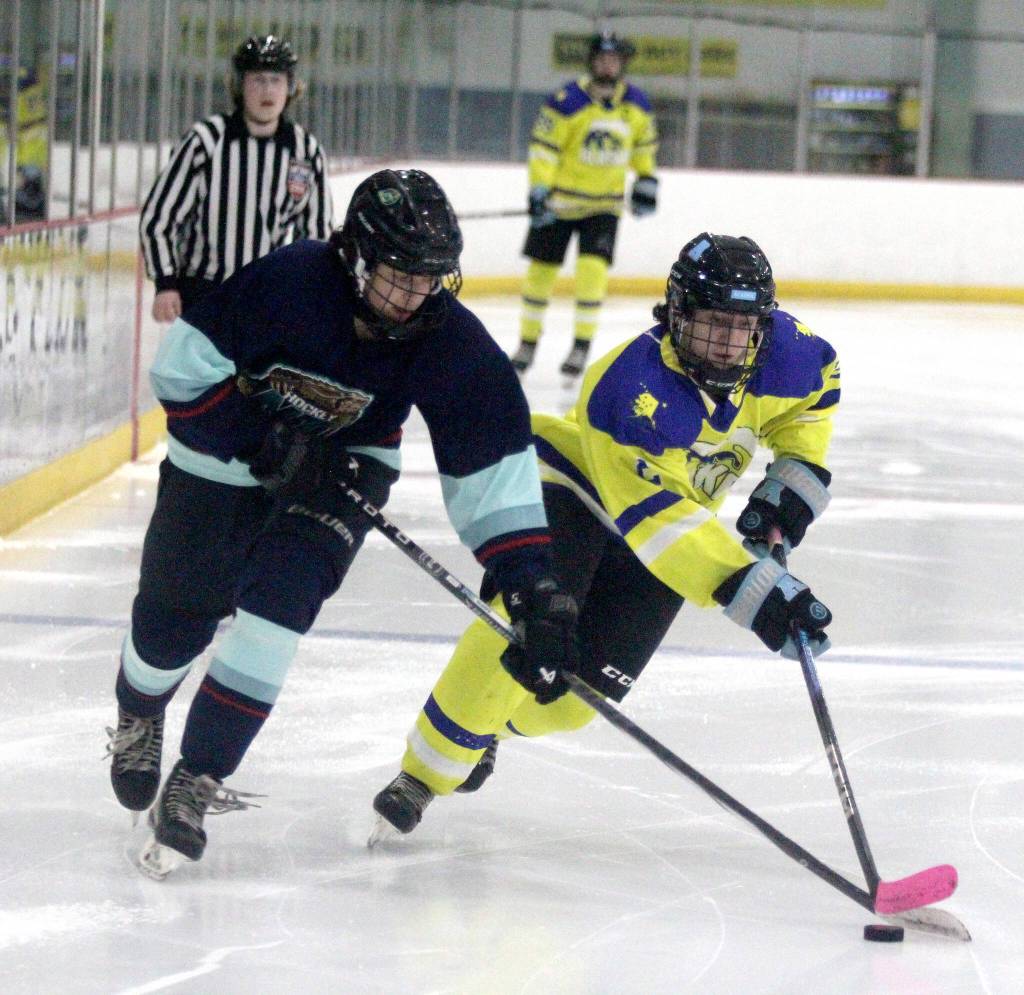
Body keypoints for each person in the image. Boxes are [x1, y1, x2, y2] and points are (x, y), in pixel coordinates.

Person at [105, 168, 577, 878]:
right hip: (221, 458)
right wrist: (264, 442)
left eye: (431, 278)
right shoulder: (286, 284)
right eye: (399, 276)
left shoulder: (444, 336)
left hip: (344, 471)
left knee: (277, 615)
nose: (417, 294)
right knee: (176, 617)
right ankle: (139, 711)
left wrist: (533, 584)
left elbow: (491, 465)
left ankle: (196, 778)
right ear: (354, 257)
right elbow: (181, 371)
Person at [371, 232, 840, 838]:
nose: (726, 343)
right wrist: (755, 592)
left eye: (741, 326)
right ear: (675, 315)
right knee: (533, 628)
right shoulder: (628, 388)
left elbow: (809, 412)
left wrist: (787, 494)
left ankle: (485, 731)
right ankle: (424, 773)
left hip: (676, 522)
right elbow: (657, 524)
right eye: (709, 324)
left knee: (573, 704)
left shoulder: (796, 356)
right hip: (572, 487)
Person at [139, 35, 334, 323]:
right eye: (257, 80)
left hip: (268, 300)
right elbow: (159, 218)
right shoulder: (205, 142)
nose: (267, 90)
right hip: (205, 296)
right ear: (240, 85)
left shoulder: (305, 151)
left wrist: (306, 295)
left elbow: (317, 236)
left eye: (276, 80)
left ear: (290, 86)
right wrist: (165, 284)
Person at [509, 31, 658, 378]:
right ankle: (528, 343)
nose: (607, 65)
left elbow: (643, 147)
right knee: (540, 275)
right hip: (559, 205)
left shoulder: (636, 103)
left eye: (614, 60)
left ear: (621, 64)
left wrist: (647, 179)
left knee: (592, 275)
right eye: (602, 59)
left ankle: (581, 346)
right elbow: (544, 148)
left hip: (603, 208)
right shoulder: (566, 100)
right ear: (592, 62)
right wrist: (540, 189)